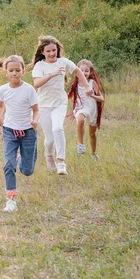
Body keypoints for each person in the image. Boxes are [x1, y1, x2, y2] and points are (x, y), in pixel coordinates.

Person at [31, 35, 92, 176]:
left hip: (59, 102)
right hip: (44, 105)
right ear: (43, 52)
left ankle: (61, 162)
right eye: (48, 51)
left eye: (54, 50)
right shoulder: (39, 66)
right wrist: (51, 75)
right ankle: (49, 156)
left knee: (58, 128)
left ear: (57, 50)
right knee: (49, 139)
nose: (52, 53)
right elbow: (37, 83)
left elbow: (77, 71)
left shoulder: (63, 62)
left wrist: (87, 86)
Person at [0, 56, 39, 212]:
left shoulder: (29, 90)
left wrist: (35, 120)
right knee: (8, 164)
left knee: (27, 171)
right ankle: (11, 200)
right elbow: (0, 107)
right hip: (9, 131)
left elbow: (36, 110)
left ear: (23, 71)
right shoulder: (3, 90)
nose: (14, 73)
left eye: (17, 70)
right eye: (11, 70)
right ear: (6, 72)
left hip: (28, 132)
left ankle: (21, 157)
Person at [68, 59, 105, 160]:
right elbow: (69, 95)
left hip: (92, 109)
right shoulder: (75, 84)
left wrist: (92, 95)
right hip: (81, 108)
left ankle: (93, 154)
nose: (84, 73)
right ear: (77, 72)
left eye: (86, 71)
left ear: (91, 72)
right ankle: (81, 144)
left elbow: (102, 99)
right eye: (81, 70)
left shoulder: (93, 83)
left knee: (92, 134)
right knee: (80, 119)